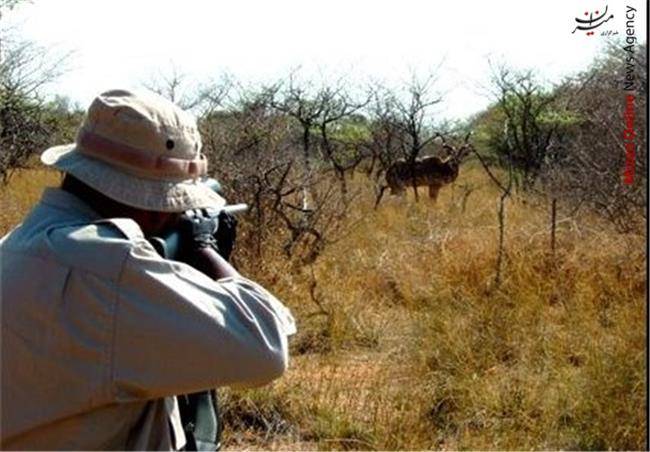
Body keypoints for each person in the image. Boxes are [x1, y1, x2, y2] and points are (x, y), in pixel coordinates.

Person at [0, 89, 296, 450]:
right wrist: (204, 249)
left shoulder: (17, 244)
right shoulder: (110, 266)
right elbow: (265, 348)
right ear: (156, 208)